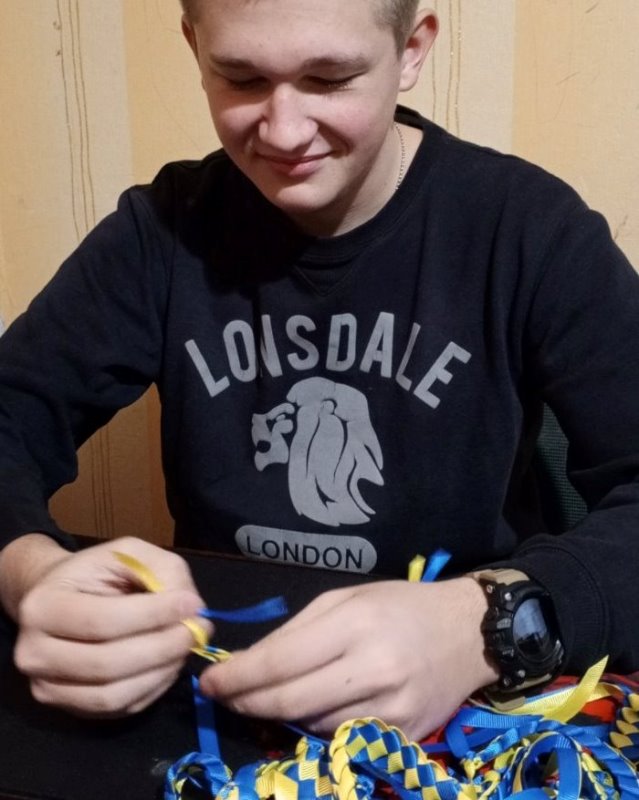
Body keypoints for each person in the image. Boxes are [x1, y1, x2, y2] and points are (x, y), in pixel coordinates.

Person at [0, 0, 638, 742]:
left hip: (469, 711)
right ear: (194, 47)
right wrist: (29, 569)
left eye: (329, 80)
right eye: (241, 79)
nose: (283, 132)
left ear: (411, 50)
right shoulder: (163, 231)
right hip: (218, 701)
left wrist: (485, 625)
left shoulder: (528, 230)